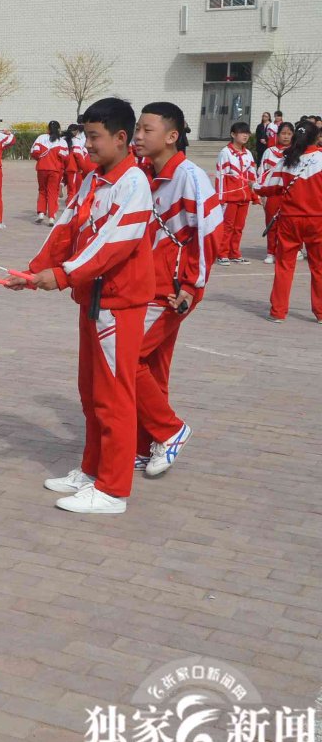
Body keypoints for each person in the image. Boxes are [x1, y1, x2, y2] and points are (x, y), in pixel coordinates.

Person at [10, 98, 153, 515]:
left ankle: (113, 489)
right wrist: (34, 272)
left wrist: (62, 275)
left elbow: (114, 245)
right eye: (85, 135)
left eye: (94, 137)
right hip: (92, 300)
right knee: (91, 392)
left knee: (115, 396)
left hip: (119, 304)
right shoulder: (93, 180)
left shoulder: (134, 185)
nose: (86, 144)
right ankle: (92, 470)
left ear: (121, 138)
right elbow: (66, 229)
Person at [132, 103, 220, 479]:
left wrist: (191, 285)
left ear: (171, 135)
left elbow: (209, 234)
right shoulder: (146, 174)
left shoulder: (191, 177)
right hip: (149, 284)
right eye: (137, 128)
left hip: (172, 291)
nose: (137, 136)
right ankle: (147, 443)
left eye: (146, 130)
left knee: (127, 358)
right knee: (152, 368)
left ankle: (170, 430)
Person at [259, 120, 322, 323]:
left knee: (284, 266)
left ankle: (278, 312)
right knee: (319, 267)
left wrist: (252, 187)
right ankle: (320, 313)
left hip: (289, 220)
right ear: (317, 138)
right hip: (317, 220)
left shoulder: (286, 160)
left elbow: (267, 186)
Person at [215, 121, 258, 265]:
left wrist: (254, 194)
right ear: (233, 134)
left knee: (239, 227)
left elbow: (252, 176)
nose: (245, 135)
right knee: (227, 227)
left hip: (244, 197)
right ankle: (222, 253)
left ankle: (235, 253)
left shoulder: (248, 154)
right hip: (230, 198)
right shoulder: (225, 153)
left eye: (247, 132)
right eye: (242, 132)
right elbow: (221, 176)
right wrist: (221, 197)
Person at [258, 121, 294, 265]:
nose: (286, 137)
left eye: (289, 134)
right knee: (271, 224)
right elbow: (262, 173)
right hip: (272, 193)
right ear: (277, 135)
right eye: (283, 134)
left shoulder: (296, 153)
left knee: (287, 225)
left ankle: (285, 252)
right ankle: (270, 252)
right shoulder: (269, 152)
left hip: (289, 194)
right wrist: (261, 194)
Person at [31, 120, 68, 223]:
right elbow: (65, 157)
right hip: (55, 170)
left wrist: (40, 160)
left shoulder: (41, 138)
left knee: (42, 190)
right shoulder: (62, 141)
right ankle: (51, 217)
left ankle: (41, 213)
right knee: (52, 192)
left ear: (48, 129)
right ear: (59, 129)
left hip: (42, 168)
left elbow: (34, 152)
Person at [64, 124, 91, 202]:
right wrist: (83, 168)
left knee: (70, 189)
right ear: (76, 131)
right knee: (74, 190)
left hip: (65, 167)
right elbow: (78, 155)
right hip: (74, 168)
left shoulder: (63, 139)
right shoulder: (75, 141)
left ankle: (62, 185)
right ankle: (70, 209)